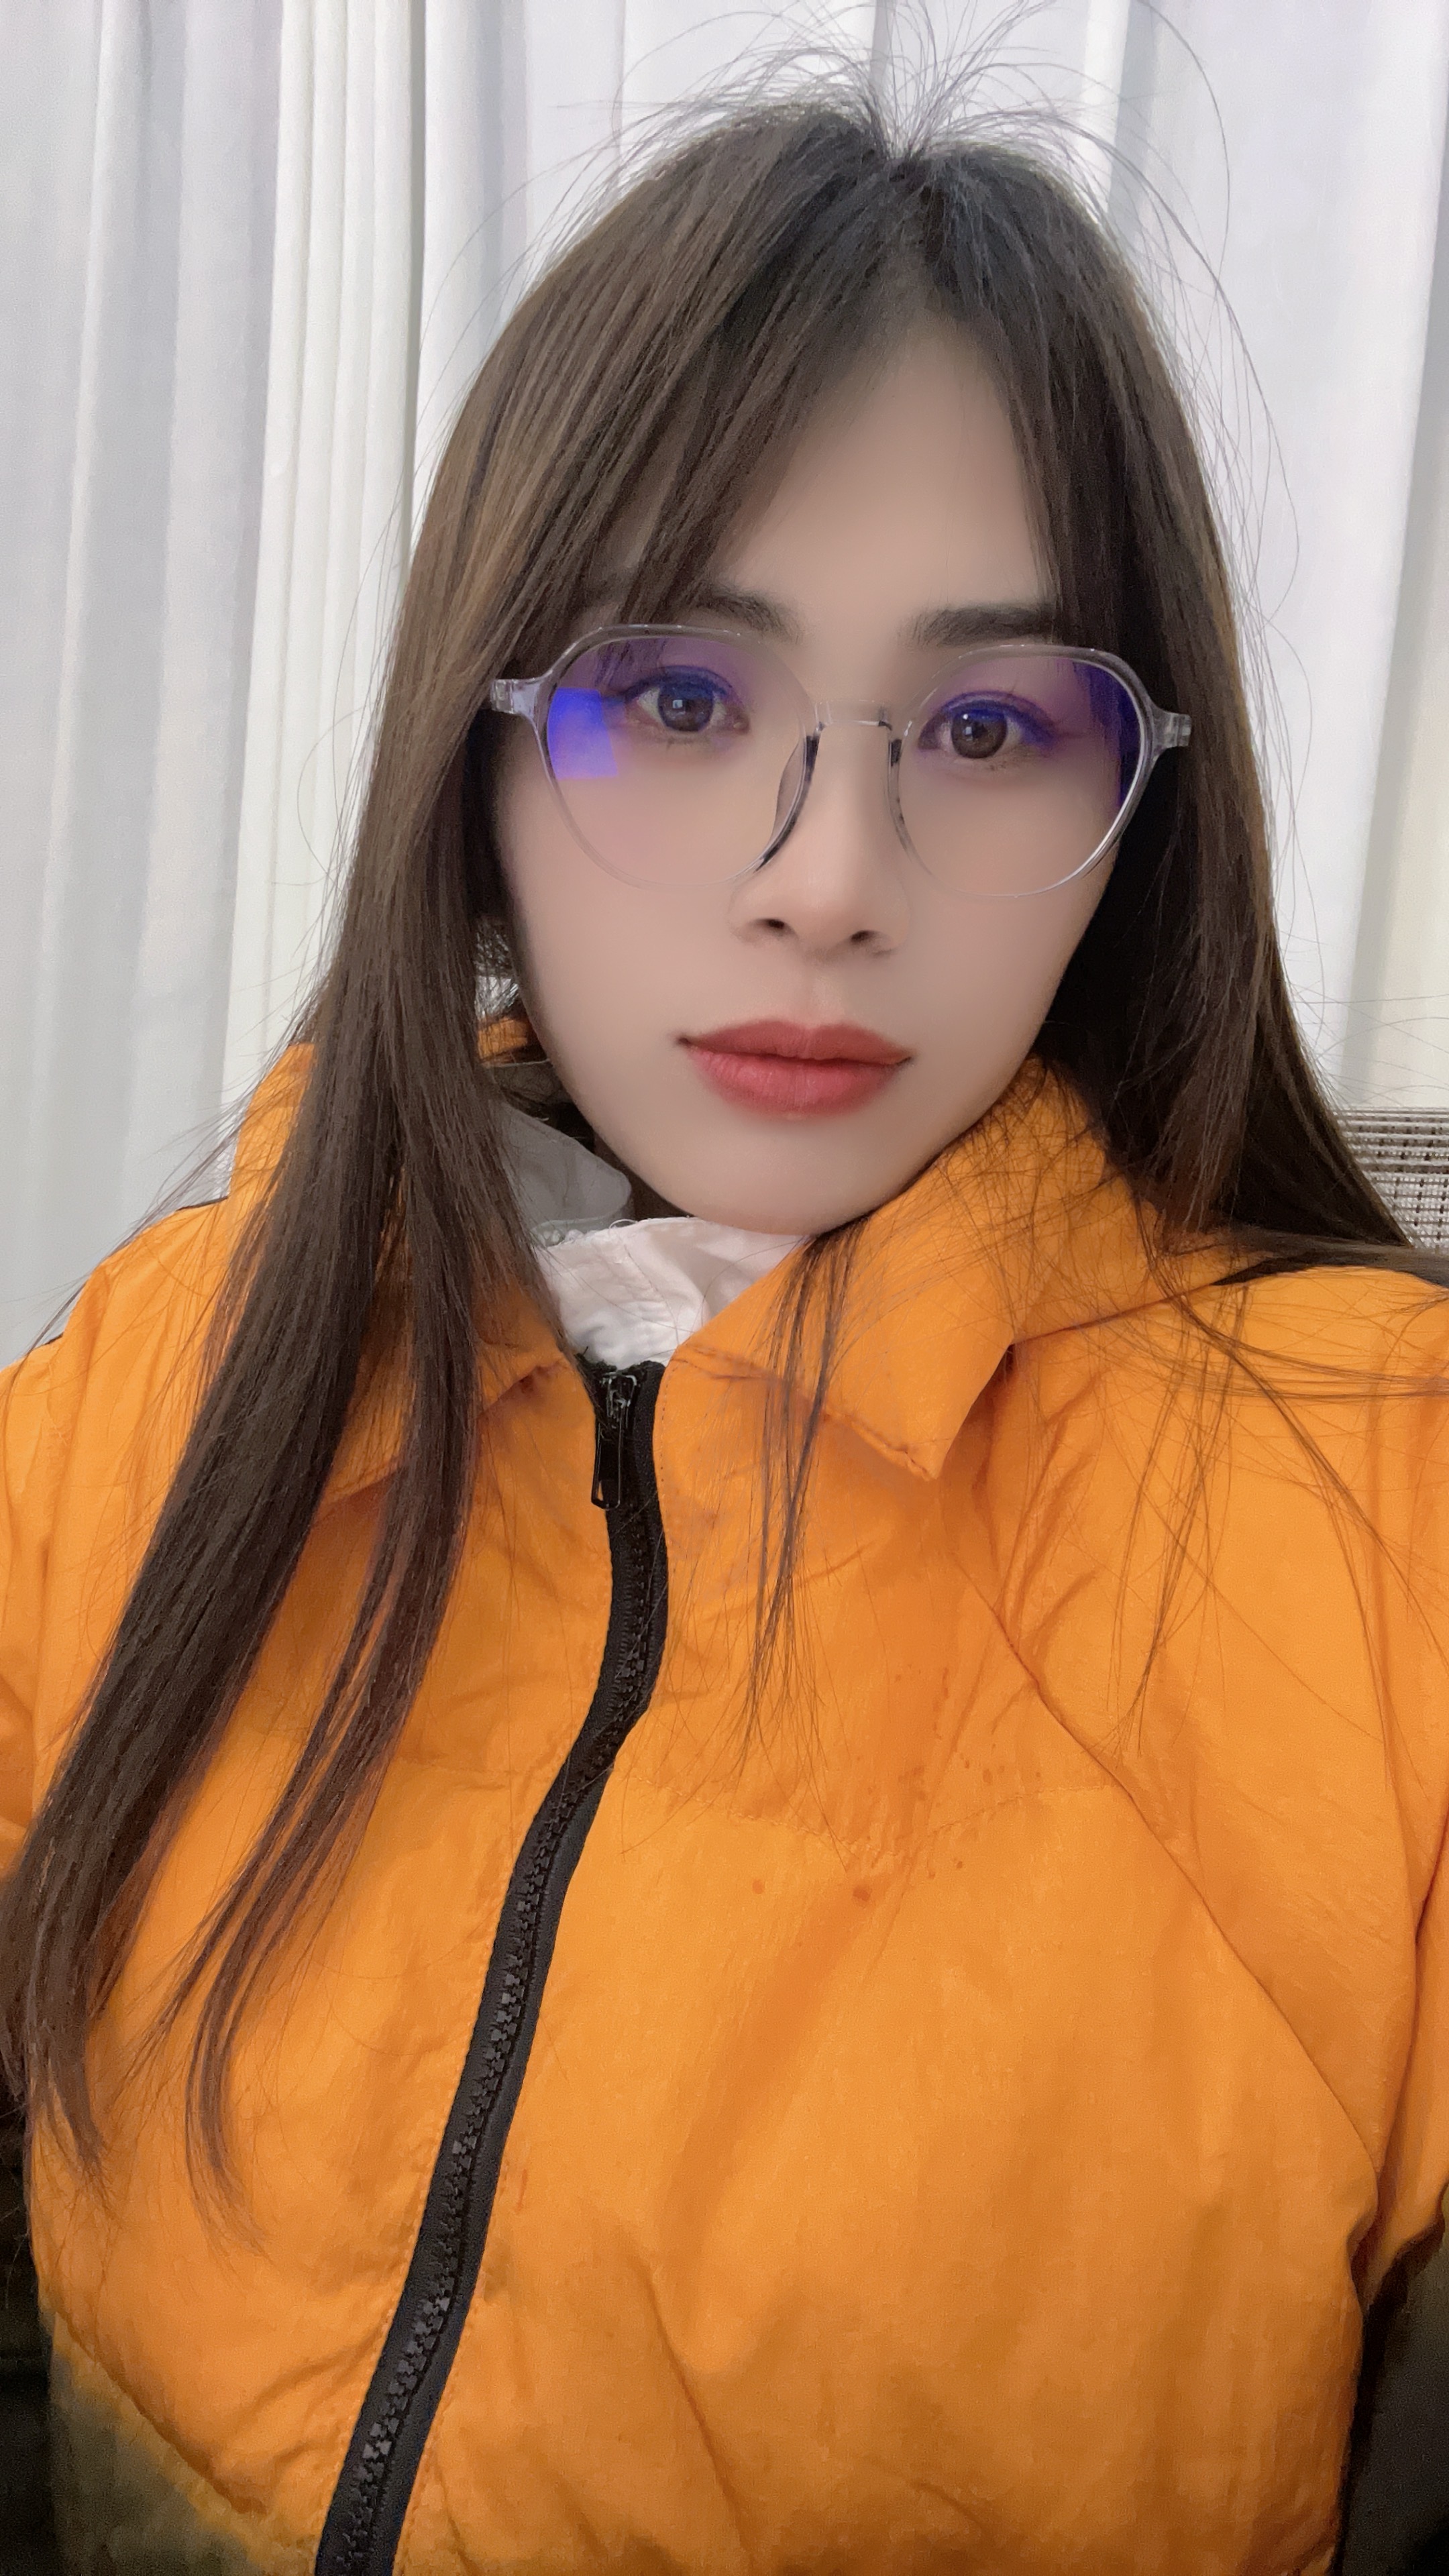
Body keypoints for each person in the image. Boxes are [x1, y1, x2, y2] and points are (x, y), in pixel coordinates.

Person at [1, 81, 1446, 2576]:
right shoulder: (158, 1378)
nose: (830, 878)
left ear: (1137, 818)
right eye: (679, 699)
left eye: (988, 730)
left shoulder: (1385, 1514)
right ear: (472, 752)